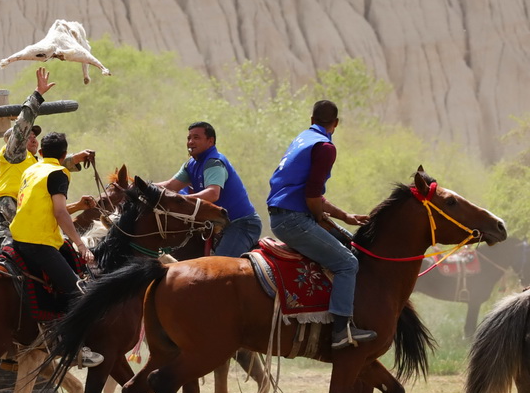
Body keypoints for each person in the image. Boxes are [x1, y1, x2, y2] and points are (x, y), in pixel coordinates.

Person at [267, 100, 374, 349]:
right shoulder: (325, 147)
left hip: (282, 214)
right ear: (335, 124)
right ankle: (341, 330)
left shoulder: (303, 139)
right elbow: (312, 196)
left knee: (349, 241)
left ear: (311, 119)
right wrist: (319, 219)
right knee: (348, 263)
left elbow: (311, 194)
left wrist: (344, 216)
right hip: (294, 219)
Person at [0, 67, 96, 255]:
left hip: (27, 230)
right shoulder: (13, 156)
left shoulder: (36, 168)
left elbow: (51, 169)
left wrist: (76, 159)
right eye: (28, 135)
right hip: (1, 224)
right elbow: (21, 128)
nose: (33, 137)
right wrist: (37, 95)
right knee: (17, 258)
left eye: (35, 135)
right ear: (15, 141)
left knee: (66, 255)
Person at [10, 131, 103, 367]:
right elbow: (59, 212)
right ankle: (74, 349)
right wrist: (81, 245)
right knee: (78, 293)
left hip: (18, 239)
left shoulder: (31, 170)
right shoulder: (58, 173)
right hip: (39, 242)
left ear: (41, 153)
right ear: (63, 156)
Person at [156, 121, 262, 258]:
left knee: (221, 268)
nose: (190, 142)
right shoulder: (191, 164)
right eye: (189, 138)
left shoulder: (214, 162)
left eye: (196, 138)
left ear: (210, 141)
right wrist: (142, 186)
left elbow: (213, 194)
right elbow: (170, 186)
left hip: (241, 224)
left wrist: (181, 200)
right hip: (218, 225)